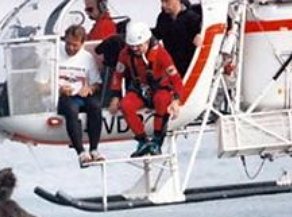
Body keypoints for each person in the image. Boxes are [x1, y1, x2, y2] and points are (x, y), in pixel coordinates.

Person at [107, 21, 184, 157]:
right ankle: (142, 140)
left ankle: (157, 140)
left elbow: (176, 79)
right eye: (132, 47)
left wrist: (176, 100)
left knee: (162, 100)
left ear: (147, 41)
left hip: (160, 89)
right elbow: (118, 75)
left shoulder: (161, 54)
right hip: (140, 89)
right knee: (126, 105)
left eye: (138, 46)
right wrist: (115, 96)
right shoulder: (125, 54)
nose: (136, 49)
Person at [38, 25, 104, 167]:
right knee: (71, 109)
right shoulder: (52, 54)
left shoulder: (87, 58)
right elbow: (40, 86)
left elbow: (97, 84)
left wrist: (89, 88)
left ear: (82, 44)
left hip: (80, 94)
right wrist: (58, 89)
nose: (71, 48)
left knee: (96, 106)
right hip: (60, 97)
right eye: (68, 44)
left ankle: (94, 149)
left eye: (75, 45)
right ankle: (81, 152)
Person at [152, 0, 202, 77]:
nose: (163, 5)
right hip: (172, 66)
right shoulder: (162, 18)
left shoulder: (192, 18)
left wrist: (199, 35)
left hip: (190, 66)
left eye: (167, 2)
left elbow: (201, 32)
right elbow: (157, 34)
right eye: (162, 2)